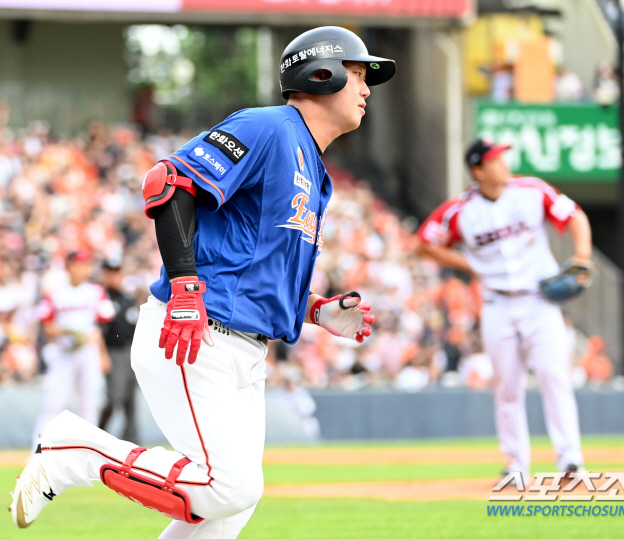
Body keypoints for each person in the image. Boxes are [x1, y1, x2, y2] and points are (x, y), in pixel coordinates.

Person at [11, 26, 392, 538]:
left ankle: (76, 451)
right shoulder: (270, 128)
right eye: (359, 74)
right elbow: (167, 184)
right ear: (320, 74)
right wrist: (186, 289)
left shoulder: (312, 166)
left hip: (243, 346)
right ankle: (72, 450)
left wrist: (316, 310)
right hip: (195, 332)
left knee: (229, 508)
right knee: (230, 487)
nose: (367, 89)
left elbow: (252, 268)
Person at [415, 139, 592, 485]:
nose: (504, 163)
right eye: (496, 160)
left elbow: (575, 215)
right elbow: (424, 242)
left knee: (554, 377)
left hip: (540, 301)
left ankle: (570, 459)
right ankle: (516, 464)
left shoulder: (530, 190)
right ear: (478, 170)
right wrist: (466, 263)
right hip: (496, 303)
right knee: (507, 386)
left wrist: (582, 255)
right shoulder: (460, 210)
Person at [32, 250, 115, 442]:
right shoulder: (55, 293)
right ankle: (37, 453)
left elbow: (104, 324)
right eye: (79, 264)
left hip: (88, 352)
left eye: (86, 265)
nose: (83, 269)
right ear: (69, 266)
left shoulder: (96, 291)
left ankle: (89, 456)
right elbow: (47, 326)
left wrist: (102, 354)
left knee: (89, 408)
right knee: (52, 406)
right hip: (63, 353)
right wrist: (69, 332)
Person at [98, 258, 140, 444]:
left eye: (117, 271)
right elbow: (99, 330)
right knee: (114, 398)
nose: (114, 276)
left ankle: (132, 443)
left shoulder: (128, 299)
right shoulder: (101, 298)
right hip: (112, 352)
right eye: (110, 272)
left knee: (131, 401)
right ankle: (98, 435)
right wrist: (102, 355)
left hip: (131, 351)